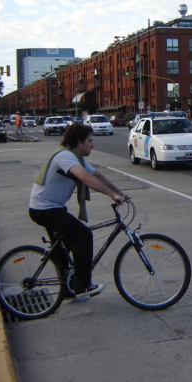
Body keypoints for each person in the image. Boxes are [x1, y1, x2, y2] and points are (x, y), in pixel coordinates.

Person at [29, 124, 129, 301]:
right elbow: (85, 177)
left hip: (51, 208)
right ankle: (83, 286)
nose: (92, 145)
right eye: (90, 141)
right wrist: (112, 194)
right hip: (44, 209)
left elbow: (96, 174)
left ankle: (67, 289)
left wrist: (119, 191)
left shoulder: (77, 157)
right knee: (83, 235)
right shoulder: (65, 156)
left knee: (63, 251)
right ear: (79, 142)